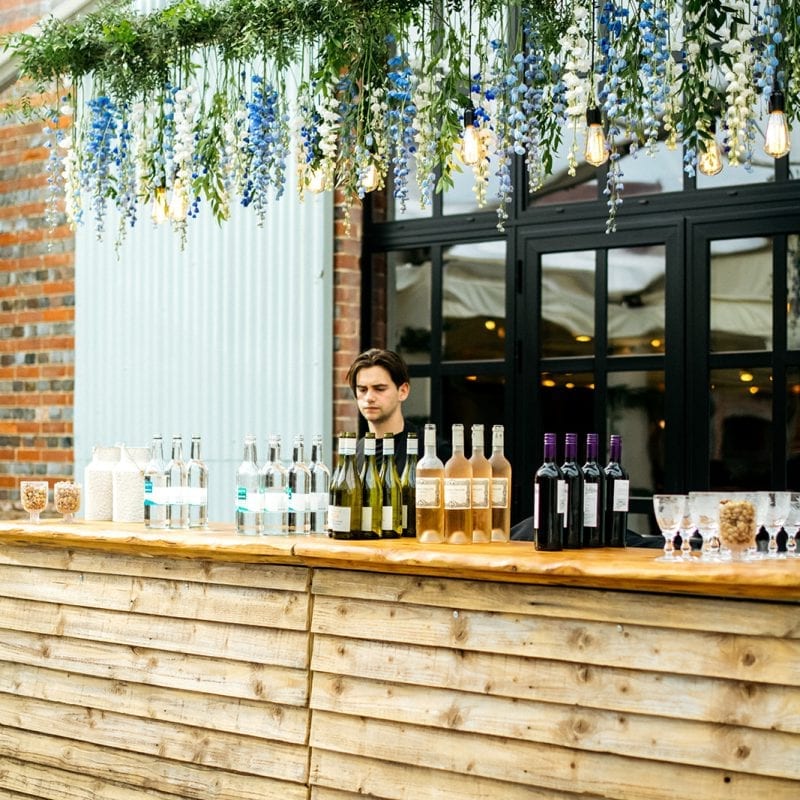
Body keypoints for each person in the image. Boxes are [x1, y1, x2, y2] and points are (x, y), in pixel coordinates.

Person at [346, 348, 419, 475]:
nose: (369, 398)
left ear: (403, 391)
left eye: (379, 389)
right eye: (362, 390)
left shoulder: (430, 452)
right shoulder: (354, 455)